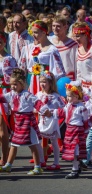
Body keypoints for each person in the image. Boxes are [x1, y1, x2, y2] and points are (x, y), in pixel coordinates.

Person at [0, 68, 50, 175]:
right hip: (18, 122)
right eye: (11, 84)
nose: (13, 87)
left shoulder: (27, 95)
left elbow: (38, 103)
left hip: (28, 123)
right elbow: (2, 98)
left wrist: (45, 111)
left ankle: (37, 167)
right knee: (13, 144)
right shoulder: (12, 94)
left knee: (33, 145)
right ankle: (8, 165)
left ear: (22, 84)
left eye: (15, 84)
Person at [47, 81, 89, 179]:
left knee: (75, 150)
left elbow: (85, 120)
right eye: (67, 96)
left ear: (76, 96)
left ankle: (75, 170)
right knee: (72, 150)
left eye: (69, 96)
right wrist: (52, 112)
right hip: (69, 130)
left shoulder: (81, 107)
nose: (67, 98)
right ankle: (78, 165)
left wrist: (85, 132)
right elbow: (62, 112)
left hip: (77, 131)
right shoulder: (68, 105)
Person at [19, 20, 65, 95]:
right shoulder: (34, 48)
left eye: (36, 32)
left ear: (44, 32)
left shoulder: (52, 49)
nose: (33, 35)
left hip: (45, 82)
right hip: (33, 81)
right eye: (32, 32)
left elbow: (59, 70)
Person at [36, 71, 65, 170]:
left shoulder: (56, 96)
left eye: (44, 82)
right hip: (42, 121)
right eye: (41, 82)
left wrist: (52, 112)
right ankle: (41, 160)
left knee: (53, 141)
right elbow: (34, 106)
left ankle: (56, 162)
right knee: (38, 140)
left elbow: (64, 108)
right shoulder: (39, 94)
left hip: (52, 121)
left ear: (50, 83)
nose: (42, 84)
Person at [0, 32, 17, 166]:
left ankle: (4, 158)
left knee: (2, 129)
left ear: (4, 43)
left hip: (4, 95)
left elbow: (14, 78)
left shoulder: (9, 59)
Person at [72, 22, 92, 96]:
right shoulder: (78, 50)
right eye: (75, 36)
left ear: (85, 35)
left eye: (78, 36)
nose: (76, 39)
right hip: (82, 87)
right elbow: (78, 71)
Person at [50, 16, 78, 80]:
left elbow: (77, 65)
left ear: (65, 27)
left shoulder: (73, 44)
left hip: (68, 79)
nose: (55, 28)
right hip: (52, 79)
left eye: (58, 26)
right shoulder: (49, 43)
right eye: (53, 26)